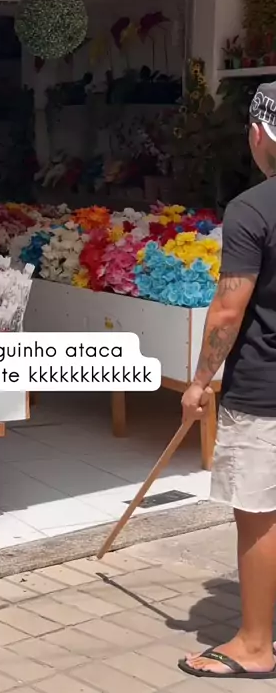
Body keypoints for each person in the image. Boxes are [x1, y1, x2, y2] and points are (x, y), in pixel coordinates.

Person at [178, 82, 276, 681]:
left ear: (258, 134)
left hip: (265, 389)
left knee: (259, 513)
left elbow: (227, 311)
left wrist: (198, 382)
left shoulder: (253, 208)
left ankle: (256, 646)